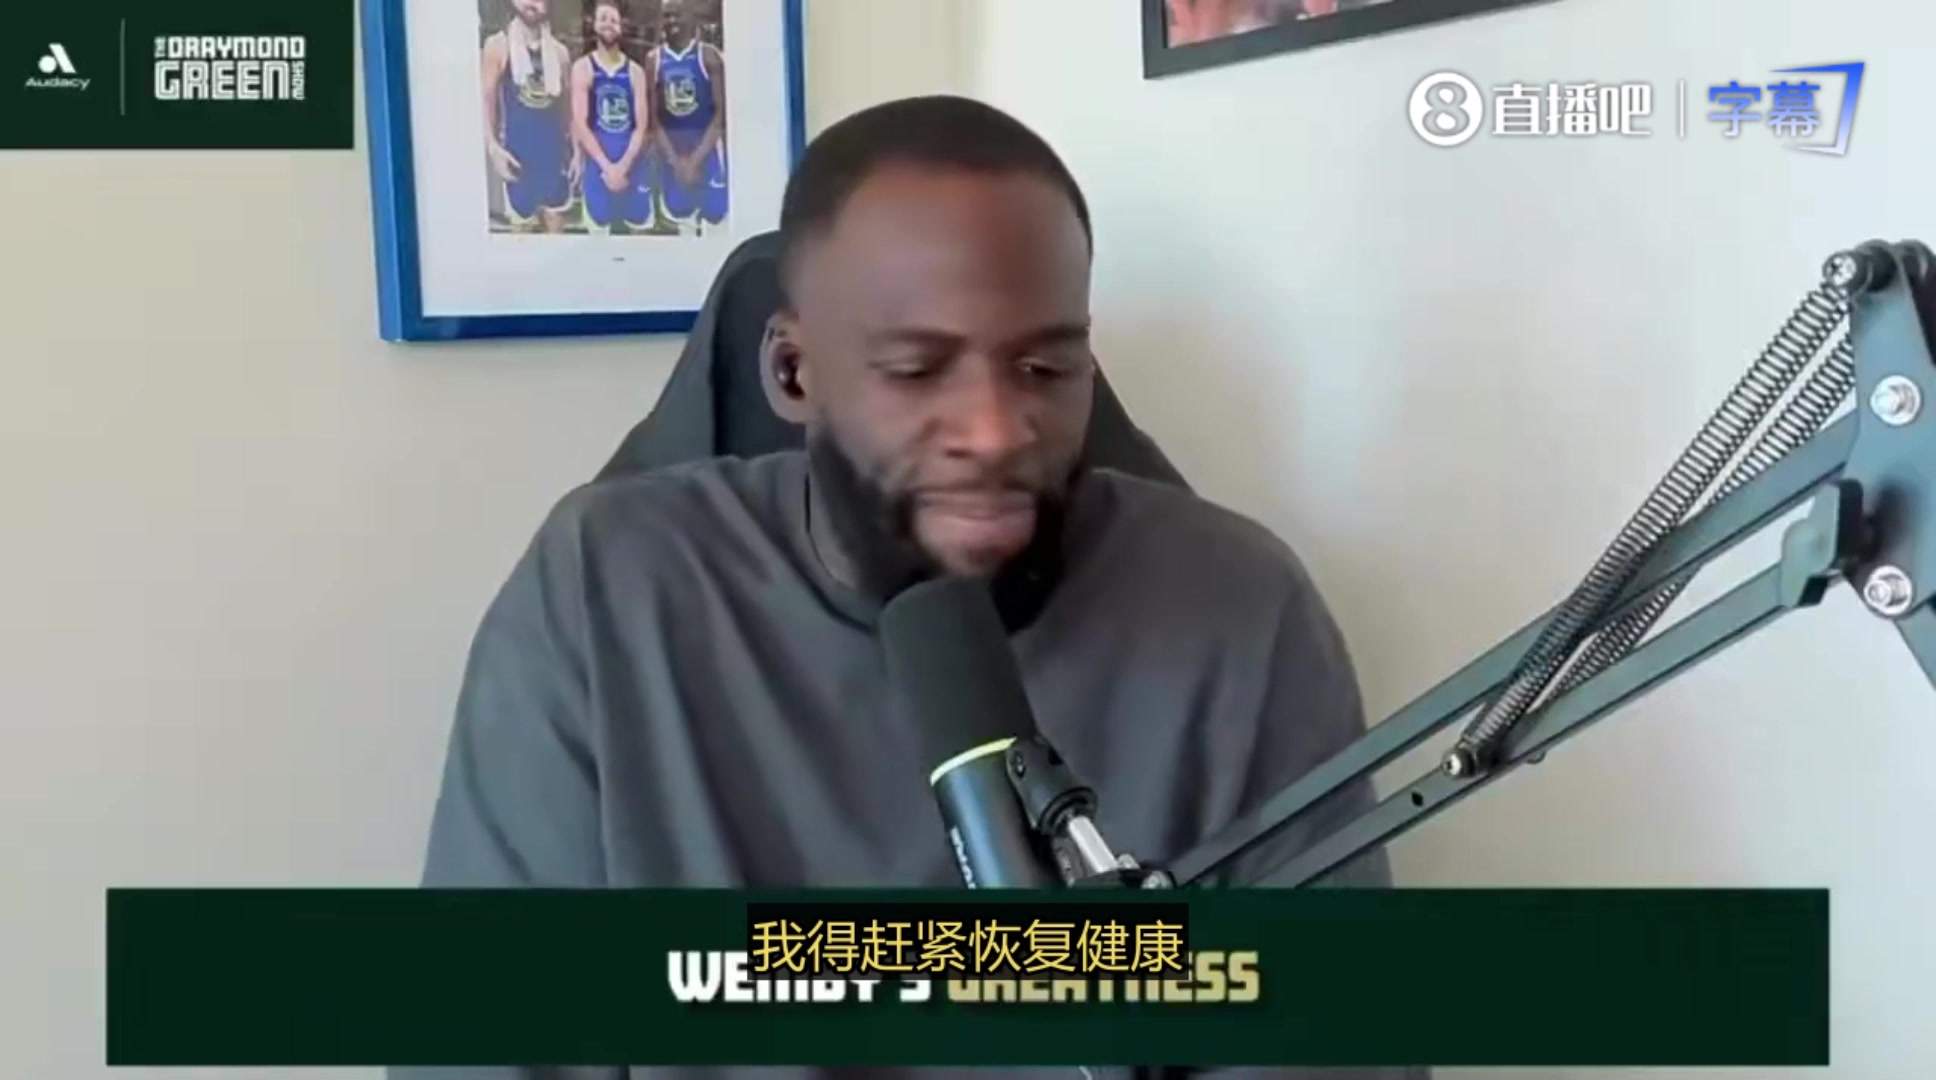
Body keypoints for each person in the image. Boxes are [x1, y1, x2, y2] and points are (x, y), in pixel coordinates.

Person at [409, 95, 1408, 1080]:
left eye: (1043, 367)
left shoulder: (1241, 611)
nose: (995, 431)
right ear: (794, 373)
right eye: (918, 370)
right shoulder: (604, 590)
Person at [481, 0, 579, 233]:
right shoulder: (498, 45)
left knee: (556, 237)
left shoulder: (560, 53)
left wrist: (577, 153)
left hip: (553, 161)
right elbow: (486, 102)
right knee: (521, 239)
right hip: (517, 159)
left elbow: (569, 111)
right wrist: (493, 147)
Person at [570, 0, 654, 235]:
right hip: (598, 166)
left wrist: (623, 166)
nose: (608, 24)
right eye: (603, 19)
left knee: (641, 235)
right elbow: (580, 124)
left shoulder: (636, 72)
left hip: (633, 165)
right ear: (593, 24)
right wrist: (608, 168)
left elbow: (641, 126)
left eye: (614, 20)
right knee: (598, 237)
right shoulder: (583, 67)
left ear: (622, 27)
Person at [648, 0, 727, 232]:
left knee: (716, 227)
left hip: (708, 155)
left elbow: (720, 114)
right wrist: (676, 162)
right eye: (667, 16)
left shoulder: (708, 56)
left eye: (677, 14)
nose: (672, 21)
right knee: (684, 228)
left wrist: (694, 161)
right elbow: (654, 119)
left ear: (690, 17)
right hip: (673, 157)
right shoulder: (654, 59)